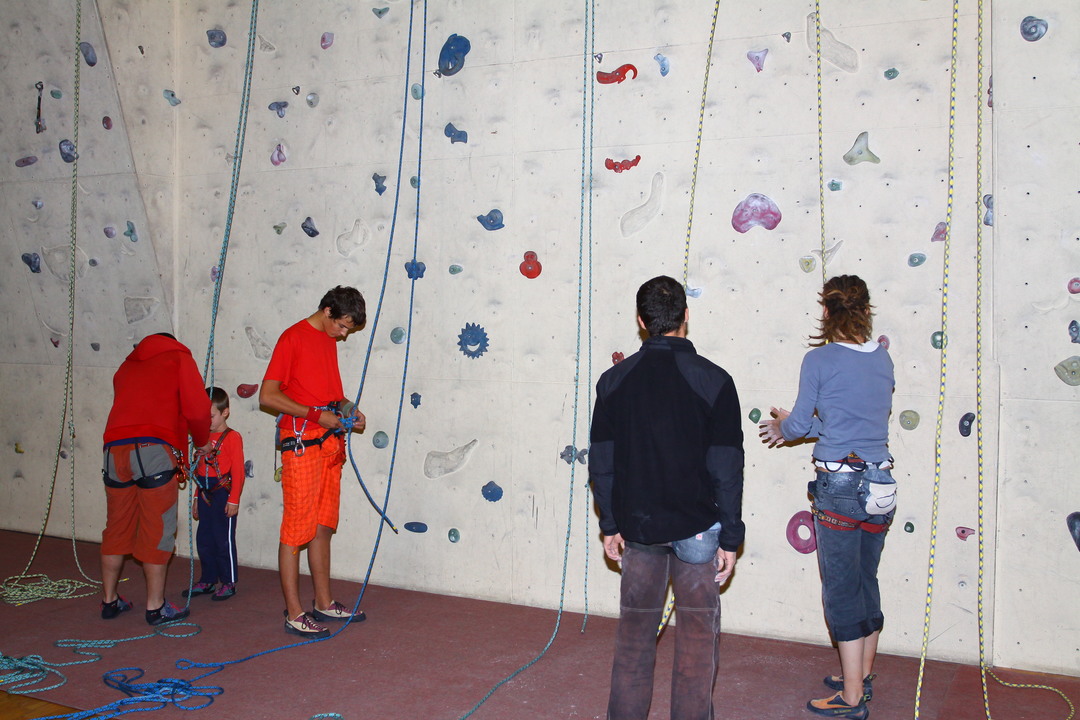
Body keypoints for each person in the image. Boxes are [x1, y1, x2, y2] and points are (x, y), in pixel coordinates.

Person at [589, 275, 745, 720]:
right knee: (697, 642)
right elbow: (727, 468)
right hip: (698, 530)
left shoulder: (613, 381)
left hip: (637, 530)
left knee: (634, 638)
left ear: (641, 322)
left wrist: (610, 524)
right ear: (686, 317)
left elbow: (602, 462)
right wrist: (730, 537)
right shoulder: (715, 381)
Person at [759, 275, 895, 720]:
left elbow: (801, 428)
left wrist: (784, 424)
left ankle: (852, 699)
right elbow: (849, 426)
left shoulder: (818, 361)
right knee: (865, 581)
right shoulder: (883, 360)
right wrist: (799, 425)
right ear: (866, 310)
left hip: (839, 487)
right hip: (881, 484)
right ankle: (862, 677)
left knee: (840, 591)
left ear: (826, 311)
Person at [260, 286, 368, 638]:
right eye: (342, 327)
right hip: (302, 445)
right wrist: (314, 416)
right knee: (295, 531)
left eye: (349, 330)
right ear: (326, 311)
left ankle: (324, 601)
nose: (344, 335)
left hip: (329, 447)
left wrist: (351, 410)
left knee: (323, 526)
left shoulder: (327, 341)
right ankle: (294, 613)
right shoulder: (292, 338)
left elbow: (332, 397)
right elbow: (269, 395)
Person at [100, 332, 212, 625]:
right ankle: (156, 606)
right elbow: (198, 409)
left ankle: (110, 600)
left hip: (114, 450)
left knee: (116, 526)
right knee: (157, 527)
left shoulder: (126, 366)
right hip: (152, 450)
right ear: (171, 341)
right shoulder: (178, 357)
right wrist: (201, 441)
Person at [185, 387, 246, 601]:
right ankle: (208, 579)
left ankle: (228, 582)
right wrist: (195, 497)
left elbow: (238, 471)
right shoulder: (203, 438)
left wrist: (234, 499)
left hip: (223, 494)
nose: (207, 421)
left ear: (225, 412)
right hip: (204, 492)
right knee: (204, 538)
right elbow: (200, 470)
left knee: (223, 540)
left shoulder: (232, 438)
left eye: (211, 416)